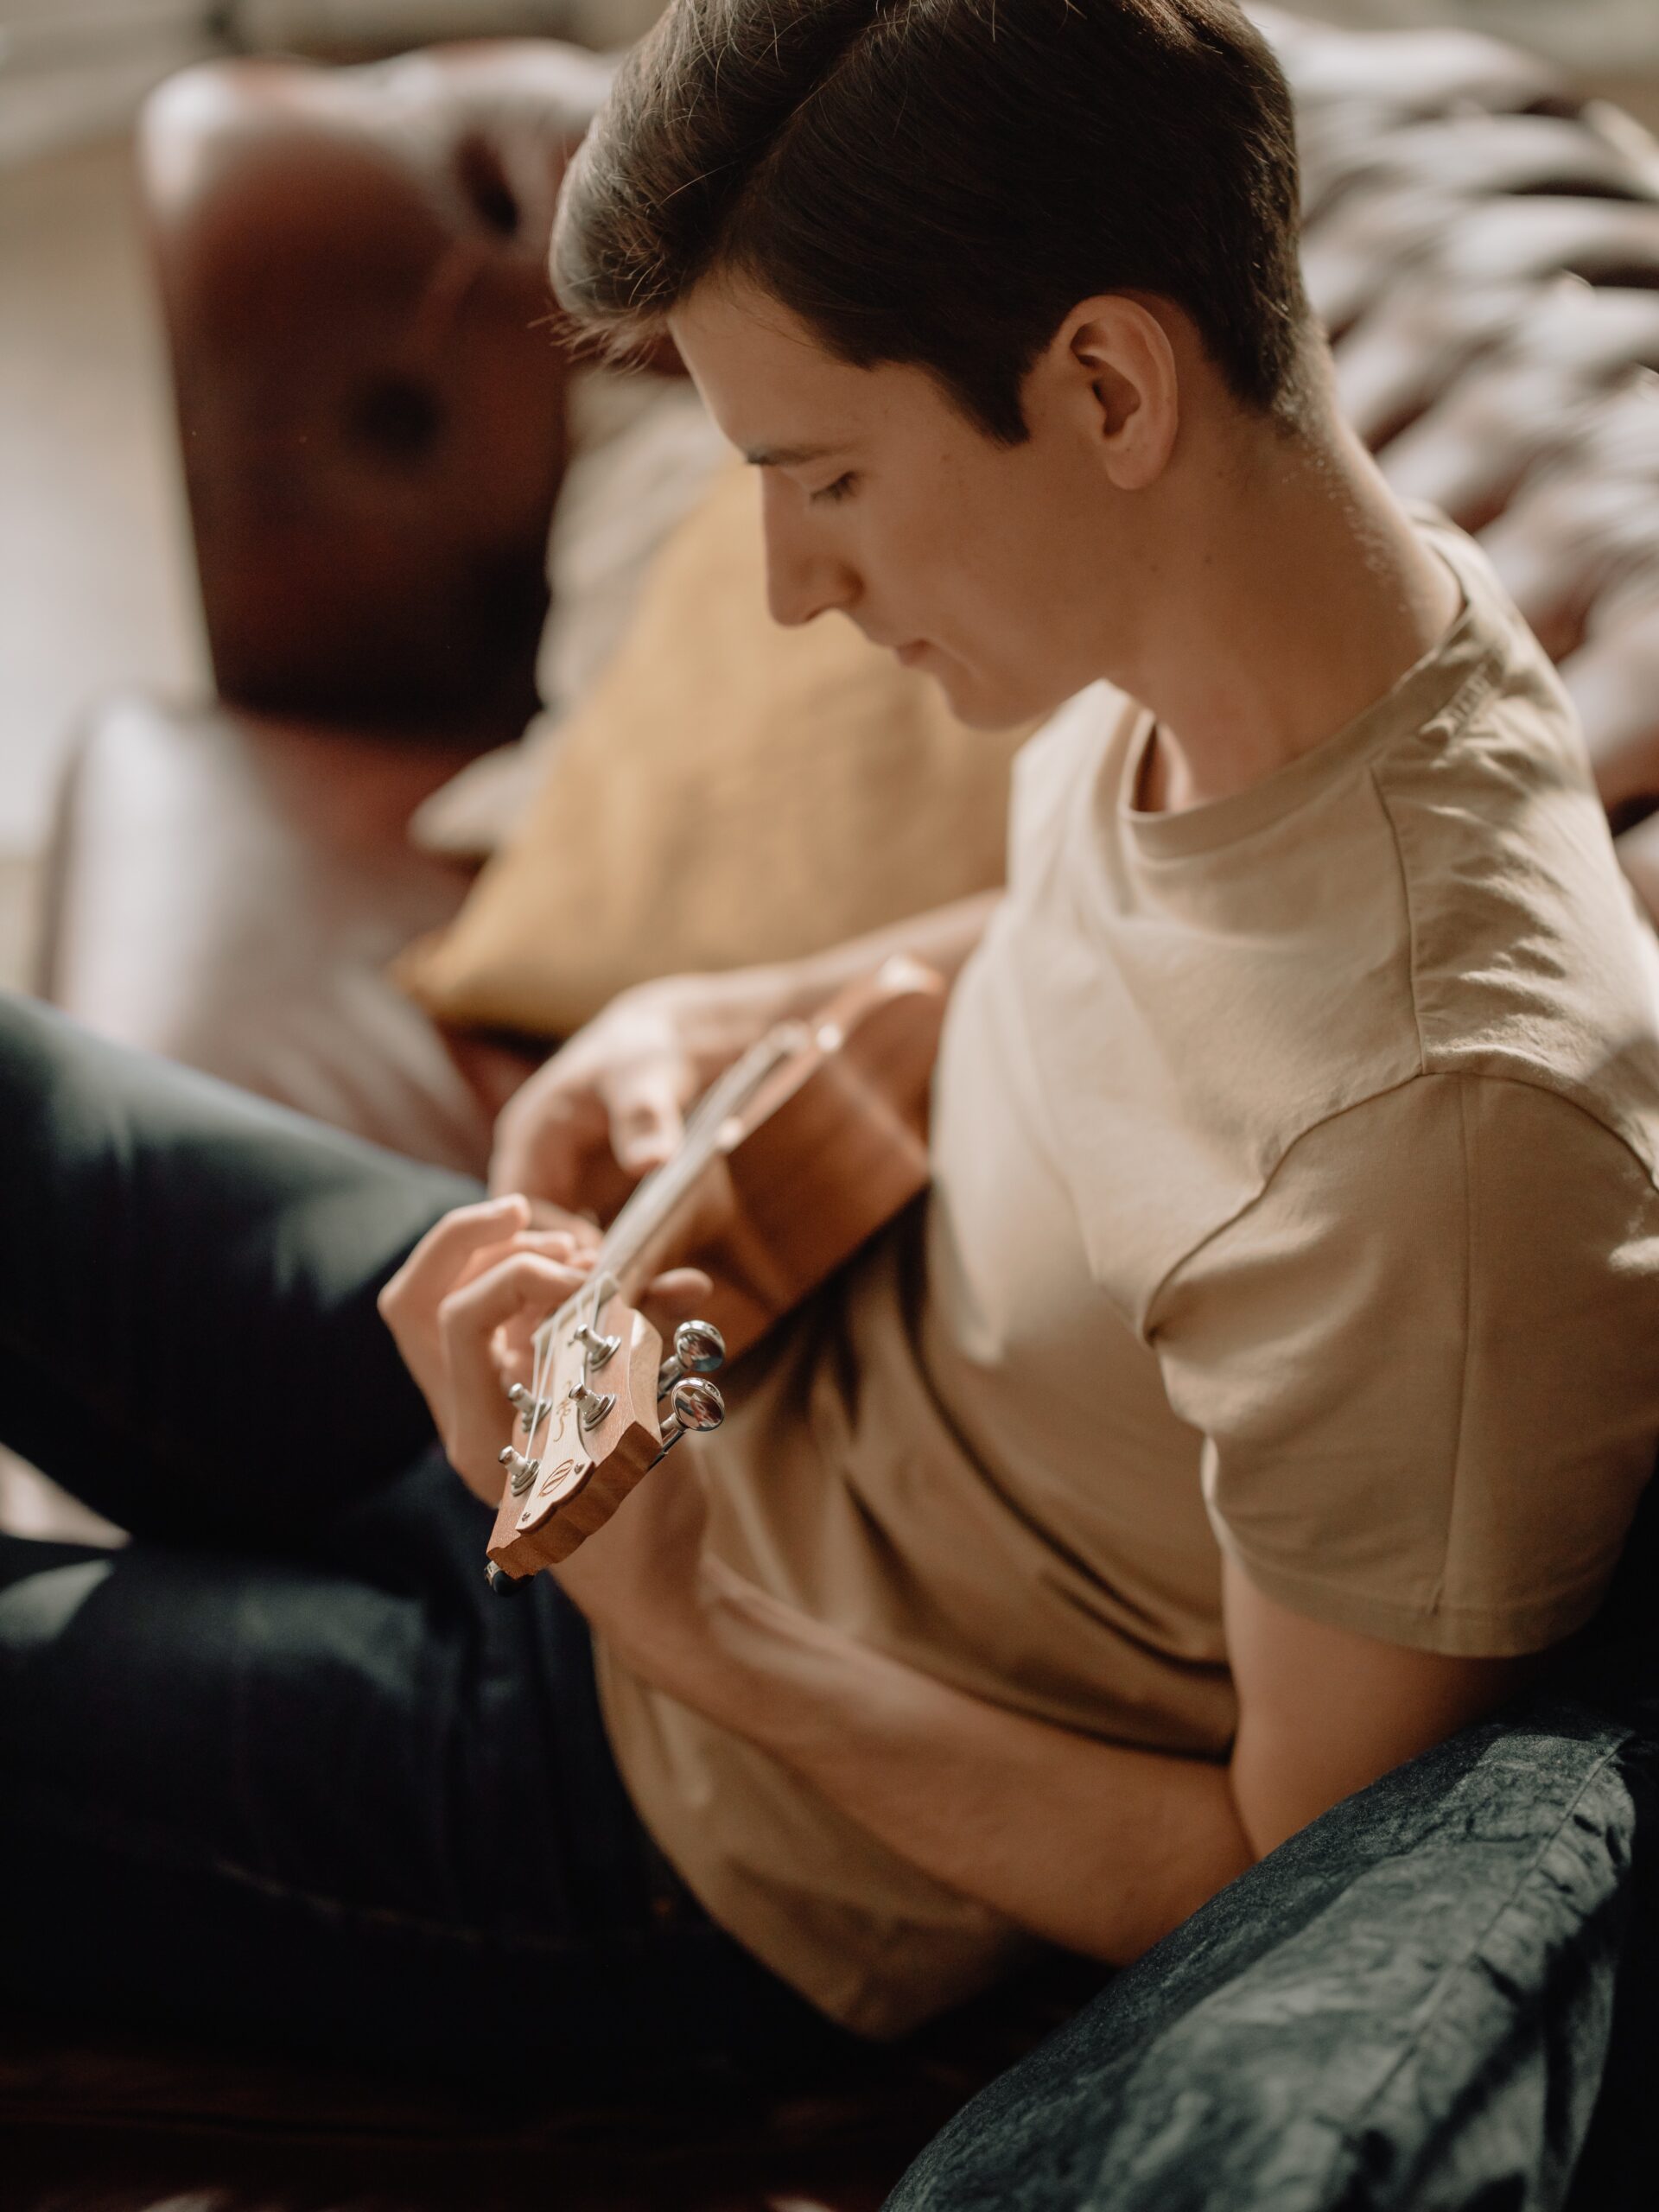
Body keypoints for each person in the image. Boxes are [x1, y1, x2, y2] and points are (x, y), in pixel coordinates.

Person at [4, 0, 1659, 2088]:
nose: (789, 585)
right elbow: (1171, 967)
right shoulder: (1296, 640)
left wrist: (704, 1628)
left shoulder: (1449, 1155)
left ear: (1106, 383)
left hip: (690, 1812)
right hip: (686, 1391)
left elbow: (1287, 1883)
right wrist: (751, 1001)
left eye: (828, 479)